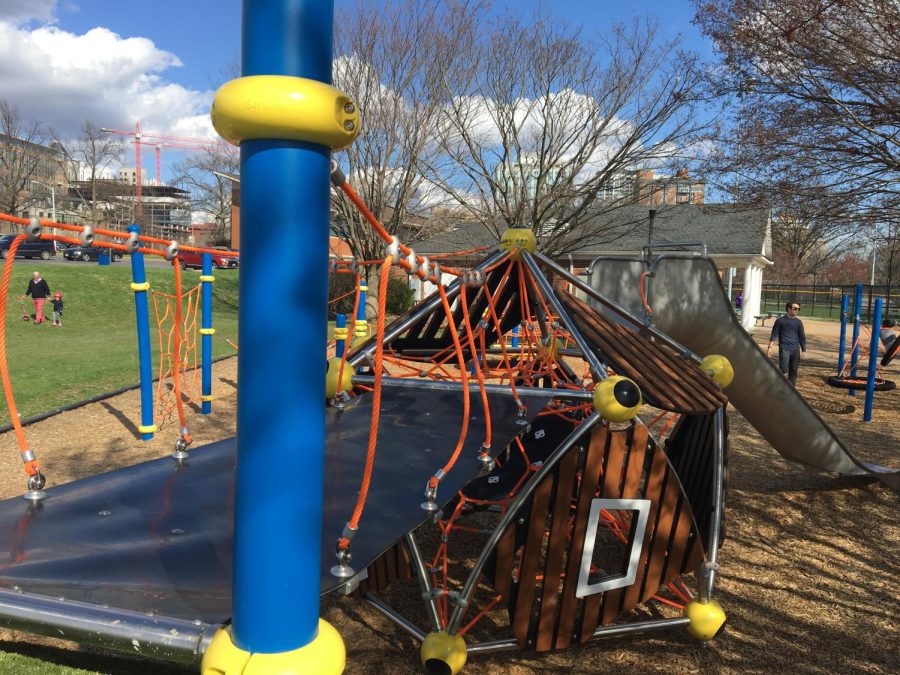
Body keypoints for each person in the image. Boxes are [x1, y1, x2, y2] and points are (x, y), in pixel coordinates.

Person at [767, 301, 806, 386]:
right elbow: (774, 334)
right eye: (795, 308)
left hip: (795, 349)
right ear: (788, 309)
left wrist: (803, 349)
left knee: (793, 370)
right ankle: (774, 383)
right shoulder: (780, 321)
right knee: (784, 369)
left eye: (798, 309)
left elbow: (802, 336)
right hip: (785, 349)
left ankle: (791, 388)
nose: (797, 310)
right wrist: (770, 347)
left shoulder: (799, 322)